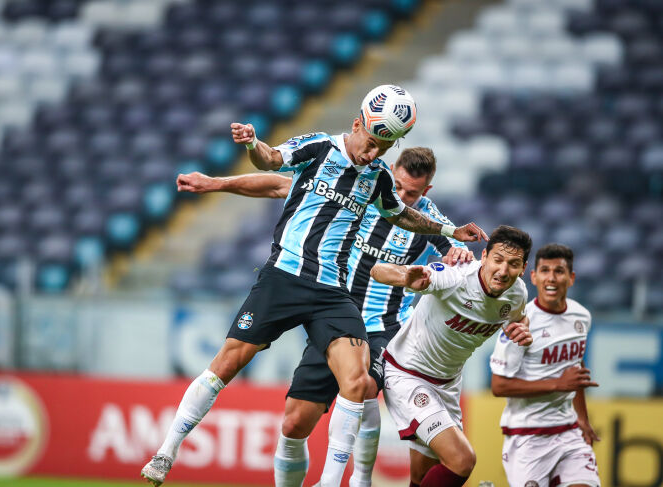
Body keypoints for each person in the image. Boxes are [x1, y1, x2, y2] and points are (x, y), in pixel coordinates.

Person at [141, 85, 487, 486]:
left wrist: (451, 231)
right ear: (358, 123)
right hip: (284, 276)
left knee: (358, 382)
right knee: (230, 365)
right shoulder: (319, 148)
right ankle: (167, 451)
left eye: (384, 149)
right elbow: (271, 163)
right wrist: (251, 145)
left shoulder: (376, 179)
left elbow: (402, 216)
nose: (374, 155)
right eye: (373, 143)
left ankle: (338, 482)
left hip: (332, 293)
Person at [370, 225, 534, 487]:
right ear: (484, 257)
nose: (503, 271)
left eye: (513, 264)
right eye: (498, 260)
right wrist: (406, 278)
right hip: (407, 374)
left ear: (523, 268)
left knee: (422, 477)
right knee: (462, 460)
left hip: (447, 385)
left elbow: (518, 317)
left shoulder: (517, 294)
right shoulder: (455, 277)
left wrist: (521, 330)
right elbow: (377, 271)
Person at [489, 243, 600, 487]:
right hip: (527, 436)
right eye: (545, 270)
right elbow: (498, 386)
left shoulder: (582, 316)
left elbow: (575, 368)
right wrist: (558, 385)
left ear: (570, 278)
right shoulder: (519, 323)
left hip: (568, 430)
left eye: (559, 271)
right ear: (533, 276)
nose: (551, 278)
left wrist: (582, 417)